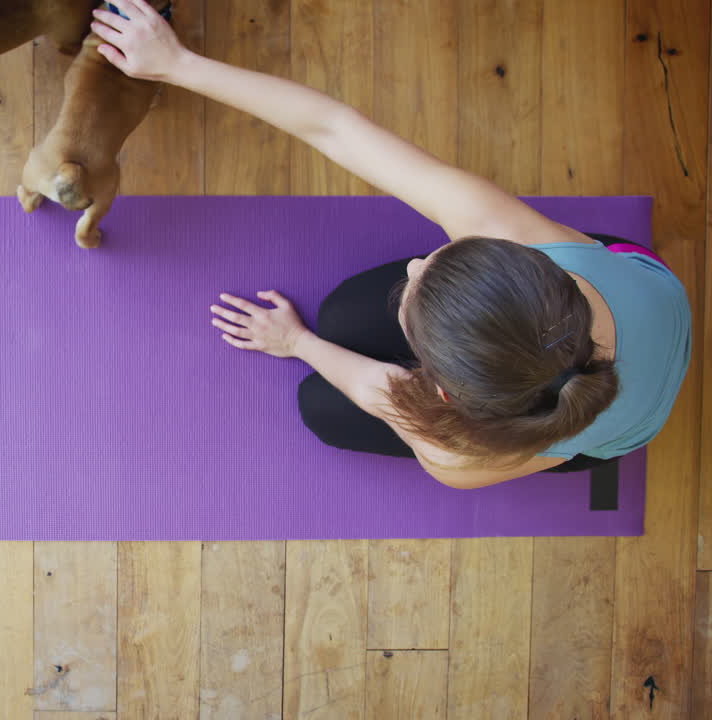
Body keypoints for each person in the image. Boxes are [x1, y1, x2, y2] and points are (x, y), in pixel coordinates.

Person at [90, 0, 692, 488]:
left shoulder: (463, 455)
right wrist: (175, 64)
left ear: (444, 392)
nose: (415, 260)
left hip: (594, 418)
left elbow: (386, 393)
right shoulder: (520, 237)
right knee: (347, 309)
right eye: (442, 261)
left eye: (421, 277)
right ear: (528, 264)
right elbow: (335, 129)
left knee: (322, 409)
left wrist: (298, 342)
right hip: (631, 288)